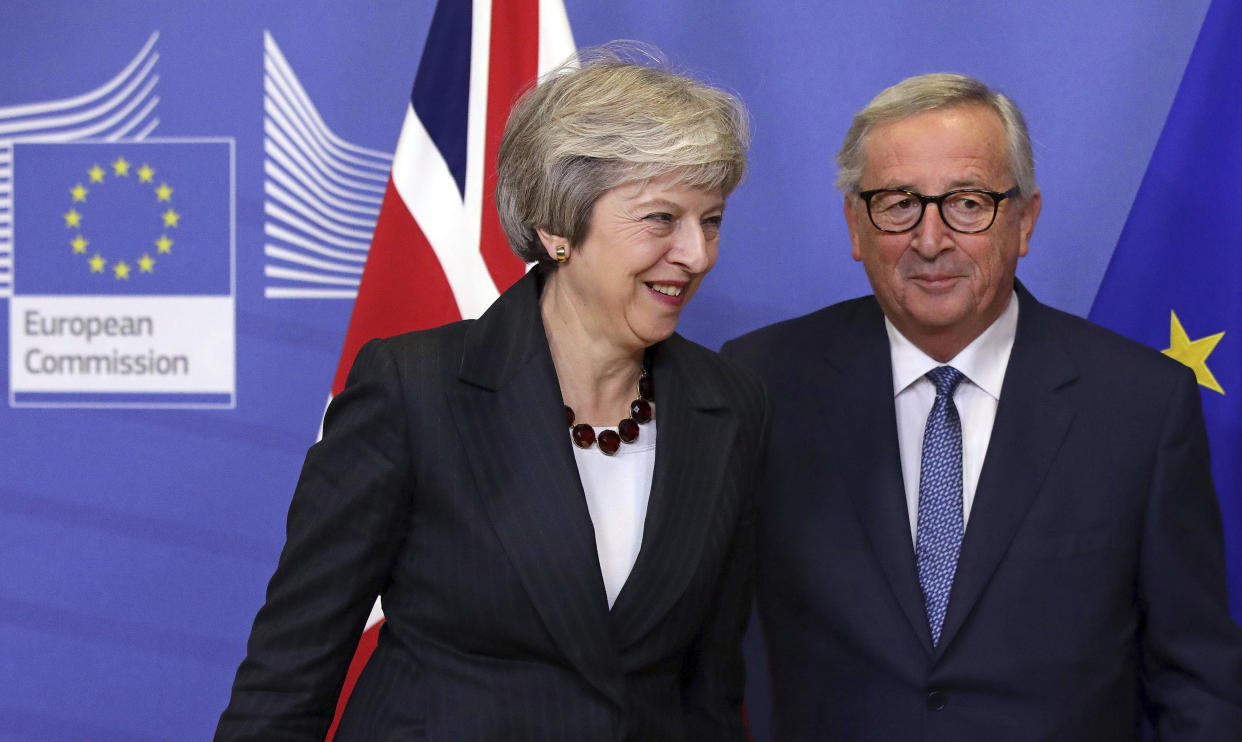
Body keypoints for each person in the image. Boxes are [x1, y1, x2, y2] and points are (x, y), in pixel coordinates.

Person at [216, 45, 763, 741]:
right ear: (558, 228)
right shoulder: (414, 389)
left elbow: (711, 692)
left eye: (710, 220)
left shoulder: (729, 404)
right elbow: (289, 673)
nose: (697, 254)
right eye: (662, 219)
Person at [723, 73, 1242, 740]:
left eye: (968, 204)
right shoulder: (760, 380)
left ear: (1024, 220)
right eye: (898, 204)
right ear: (856, 224)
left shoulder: (1141, 403)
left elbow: (1197, 677)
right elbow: (702, 650)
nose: (931, 240)